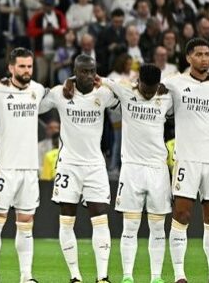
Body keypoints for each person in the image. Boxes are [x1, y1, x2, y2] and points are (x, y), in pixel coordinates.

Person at [42, 55, 120, 283]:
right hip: (68, 165)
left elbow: (126, 97)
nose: (88, 75)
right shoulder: (60, 93)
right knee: (67, 220)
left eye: (91, 71)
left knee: (101, 218)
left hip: (95, 165)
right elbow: (35, 104)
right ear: (75, 71)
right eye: (83, 71)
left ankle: (102, 276)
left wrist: (106, 81)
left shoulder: (103, 94)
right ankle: (75, 276)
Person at [98, 64, 171, 283]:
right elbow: (98, 79)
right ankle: (127, 276)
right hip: (131, 168)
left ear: (158, 85)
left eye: (153, 90)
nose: (149, 94)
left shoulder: (167, 96)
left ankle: (156, 277)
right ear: (138, 82)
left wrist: (167, 86)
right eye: (145, 89)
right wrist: (71, 81)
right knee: (130, 226)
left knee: (158, 226)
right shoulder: (125, 90)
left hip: (158, 168)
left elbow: (185, 82)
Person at [0, 47, 47, 283]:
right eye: (22, 66)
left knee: (26, 223)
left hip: (30, 168)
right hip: (4, 167)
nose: (26, 70)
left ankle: (26, 276)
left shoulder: (37, 90)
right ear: (11, 68)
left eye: (29, 66)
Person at [162, 37, 209, 283]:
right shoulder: (174, 83)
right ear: (189, 57)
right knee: (182, 215)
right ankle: (179, 274)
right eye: (199, 54)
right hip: (186, 159)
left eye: (207, 54)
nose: (204, 59)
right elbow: (145, 87)